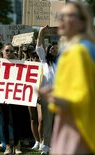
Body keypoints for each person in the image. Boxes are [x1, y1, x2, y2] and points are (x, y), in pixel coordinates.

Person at [39, 2, 95, 154]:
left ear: (82, 22)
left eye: (70, 16)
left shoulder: (79, 51)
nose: (63, 19)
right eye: (61, 16)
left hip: (82, 128)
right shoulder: (78, 49)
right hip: (82, 125)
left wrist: (55, 98)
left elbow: (85, 97)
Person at [35, 25, 58, 155]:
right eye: (52, 48)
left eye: (56, 48)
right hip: (47, 96)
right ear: (48, 50)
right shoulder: (44, 61)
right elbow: (39, 47)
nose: (55, 50)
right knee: (47, 122)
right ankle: (46, 146)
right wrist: (41, 32)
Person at [0, 43, 22, 155]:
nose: (9, 53)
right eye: (7, 50)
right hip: (1, 96)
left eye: (11, 51)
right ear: (2, 51)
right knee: (4, 121)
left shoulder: (17, 63)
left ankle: (17, 145)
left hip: (14, 96)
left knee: (15, 120)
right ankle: (8, 146)